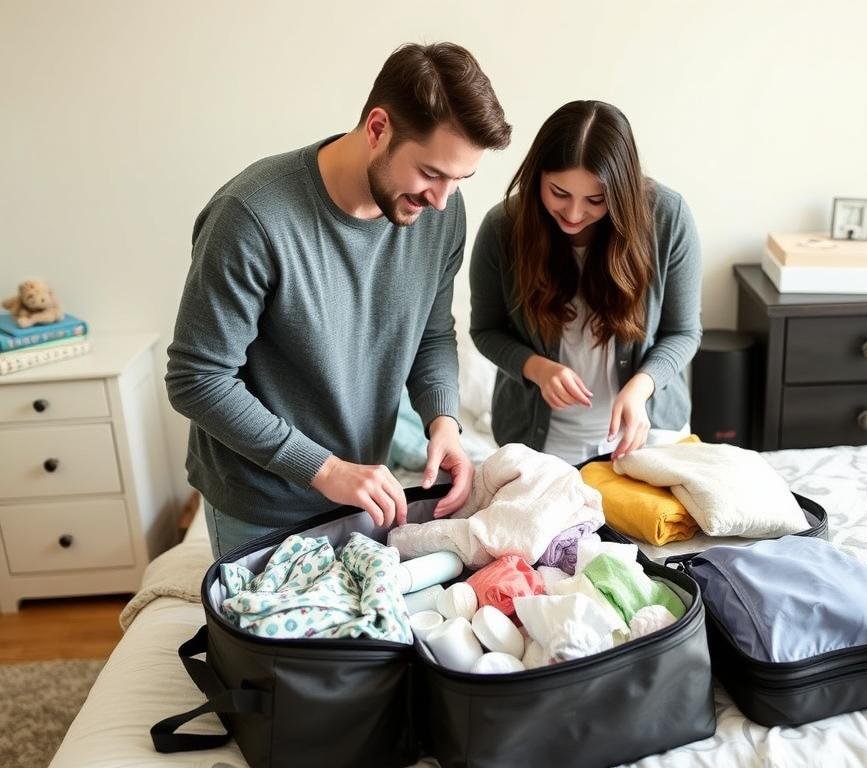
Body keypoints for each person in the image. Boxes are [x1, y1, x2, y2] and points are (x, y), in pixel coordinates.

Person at [166, 43, 511, 558]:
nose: (441, 199)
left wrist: (443, 420)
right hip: (259, 505)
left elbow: (433, 332)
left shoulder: (441, 215)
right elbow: (196, 380)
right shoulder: (252, 218)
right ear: (378, 129)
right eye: (431, 173)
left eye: (460, 180)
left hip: (360, 493)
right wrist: (323, 469)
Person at [469, 100, 701, 465]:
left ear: (621, 192)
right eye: (559, 193)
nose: (574, 214)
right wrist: (537, 368)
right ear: (537, 177)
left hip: (649, 434)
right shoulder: (503, 229)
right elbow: (485, 330)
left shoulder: (666, 218)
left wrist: (641, 387)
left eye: (596, 199)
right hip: (540, 444)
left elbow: (684, 332)